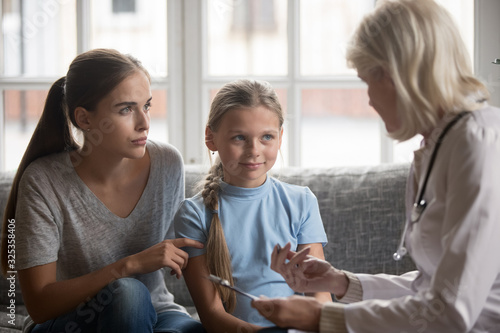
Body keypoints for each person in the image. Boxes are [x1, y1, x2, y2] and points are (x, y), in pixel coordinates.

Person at [251, 0, 500, 332]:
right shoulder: (436, 146)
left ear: (399, 75)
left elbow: (451, 311)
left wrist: (321, 317)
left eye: (368, 81)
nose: (368, 98)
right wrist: (341, 282)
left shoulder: (479, 142)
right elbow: (430, 289)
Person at [0, 48, 205, 333]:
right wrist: (128, 266)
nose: (145, 123)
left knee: (192, 330)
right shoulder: (43, 181)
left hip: (156, 312)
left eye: (146, 106)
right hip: (70, 321)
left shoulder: (168, 164)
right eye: (125, 109)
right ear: (84, 119)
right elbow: (39, 304)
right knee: (128, 294)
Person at [174, 79, 331, 332]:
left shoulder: (302, 202)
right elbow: (212, 316)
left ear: (280, 138)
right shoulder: (193, 214)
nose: (254, 150)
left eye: (266, 137)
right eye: (239, 138)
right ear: (210, 138)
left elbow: (321, 298)